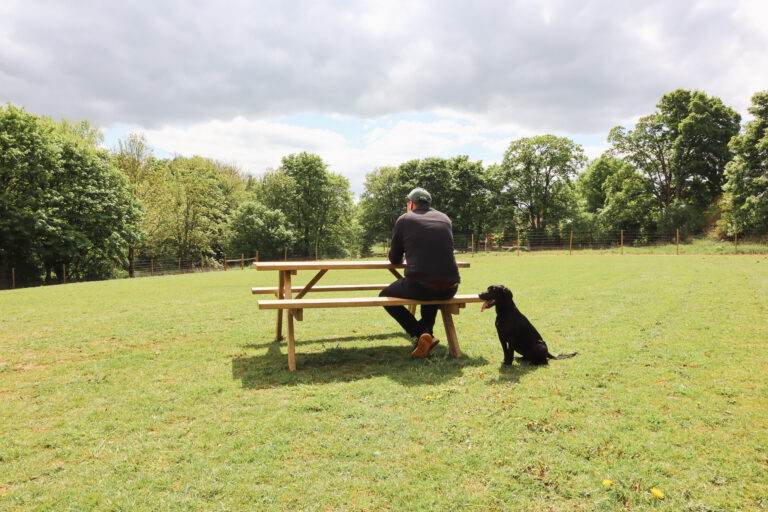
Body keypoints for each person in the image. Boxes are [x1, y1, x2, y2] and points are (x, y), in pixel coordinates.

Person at [380, 187, 461, 358]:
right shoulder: (445, 218)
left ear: (411, 204)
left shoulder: (404, 219)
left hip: (422, 285)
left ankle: (422, 334)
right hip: (452, 285)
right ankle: (425, 337)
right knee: (429, 290)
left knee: (385, 296)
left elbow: (394, 260)